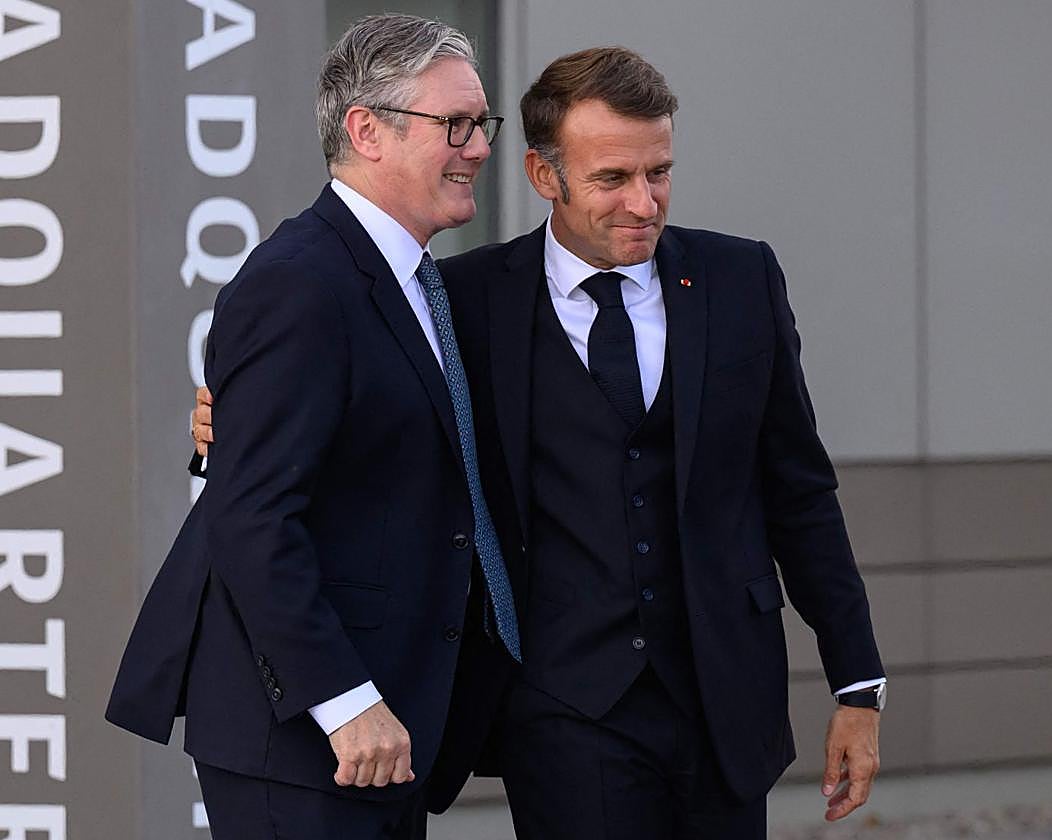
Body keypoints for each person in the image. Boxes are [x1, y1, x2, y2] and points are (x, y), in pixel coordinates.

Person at [194, 45, 886, 840]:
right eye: (611, 179)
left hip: (725, 701)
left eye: (658, 172)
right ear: (542, 175)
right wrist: (227, 413)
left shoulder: (740, 281)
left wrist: (857, 683)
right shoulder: (463, 301)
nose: (643, 202)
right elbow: (355, 410)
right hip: (559, 713)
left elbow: (799, 491)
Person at [107, 15, 520, 839]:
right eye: (457, 125)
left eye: (482, 125)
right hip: (313, 738)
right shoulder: (300, 283)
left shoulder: (416, 283)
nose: (479, 147)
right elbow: (252, 516)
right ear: (366, 130)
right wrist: (346, 702)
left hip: (390, 731)